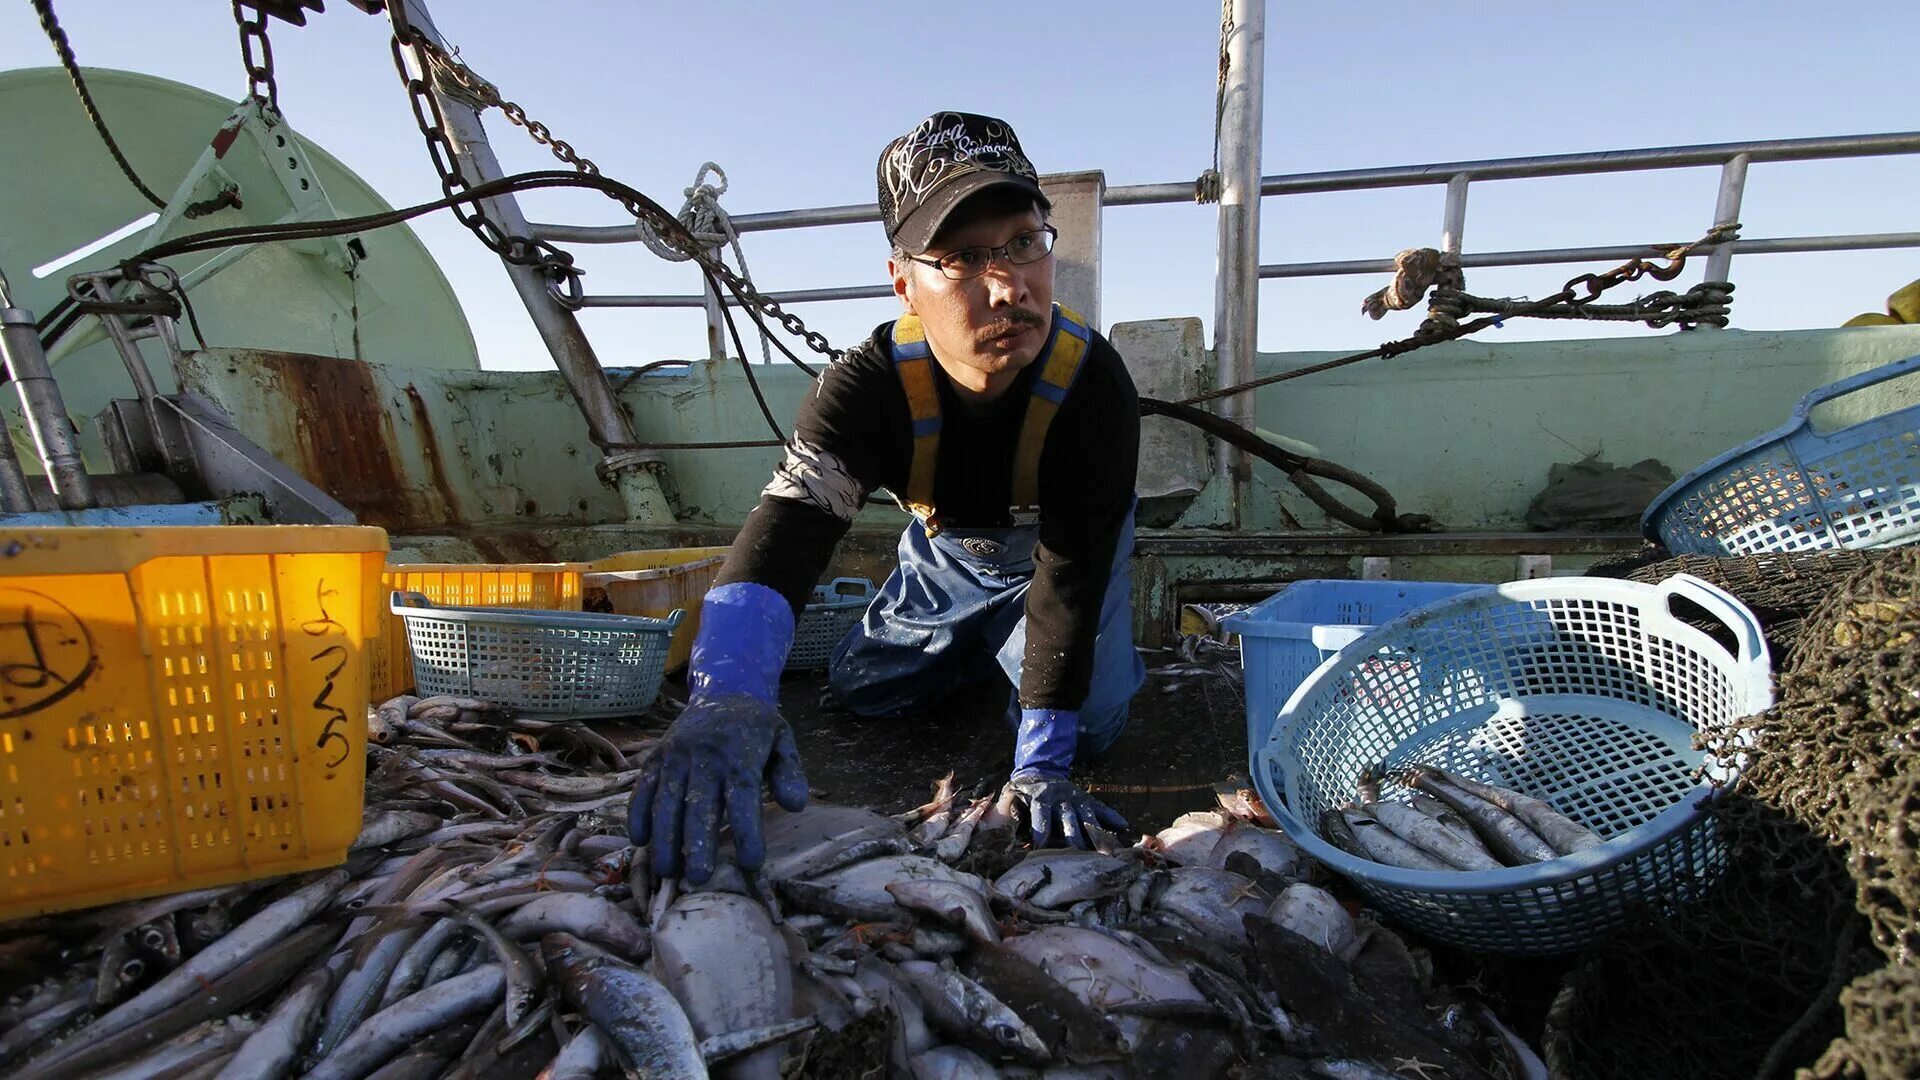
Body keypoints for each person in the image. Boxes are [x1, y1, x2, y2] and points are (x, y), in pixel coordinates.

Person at [629, 111, 1146, 884]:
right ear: (904, 280)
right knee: (864, 692)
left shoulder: (1094, 388)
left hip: (1063, 561)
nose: (1009, 286)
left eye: (1023, 243)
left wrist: (1040, 763)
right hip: (946, 562)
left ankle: (1015, 667)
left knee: (1091, 727)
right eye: (965, 258)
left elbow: (1069, 580)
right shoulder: (867, 386)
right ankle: (977, 651)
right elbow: (788, 527)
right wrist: (727, 692)